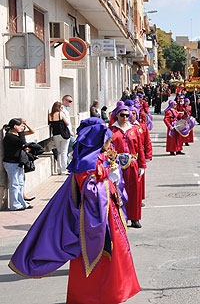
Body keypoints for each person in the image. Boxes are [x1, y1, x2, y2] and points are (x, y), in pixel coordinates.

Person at [9, 118, 140, 303]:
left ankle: (113, 292)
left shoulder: (99, 156)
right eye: (107, 141)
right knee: (99, 259)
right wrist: (109, 181)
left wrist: (114, 178)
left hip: (107, 215)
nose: (110, 145)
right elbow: (91, 192)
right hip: (93, 220)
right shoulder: (85, 163)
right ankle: (93, 296)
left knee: (115, 256)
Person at [110, 102, 146, 228]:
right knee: (118, 191)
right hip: (117, 166)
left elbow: (140, 148)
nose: (125, 117)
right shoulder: (111, 130)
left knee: (134, 192)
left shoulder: (134, 129)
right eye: (122, 115)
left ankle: (135, 218)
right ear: (117, 115)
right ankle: (119, 217)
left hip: (132, 164)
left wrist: (142, 165)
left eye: (127, 115)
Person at [2, 119, 33, 211]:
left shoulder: (13, 136)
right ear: (15, 126)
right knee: (14, 184)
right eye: (20, 126)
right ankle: (14, 205)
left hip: (17, 162)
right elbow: (22, 142)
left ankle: (21, 202)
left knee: (20, 183)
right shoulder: (9, 136)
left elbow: (21, 143)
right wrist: (21, 132)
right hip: (11, 163)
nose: (22, 127)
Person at [48, 101, 71, 175]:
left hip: (55, 135)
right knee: (64, 152)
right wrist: (63, 114)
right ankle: (64, 170)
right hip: (63, 135)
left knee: (59, 152)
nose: (62, 108)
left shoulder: (50, 115)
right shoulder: (61, 114)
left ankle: (59, 169)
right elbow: (67, 123)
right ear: (58, 107)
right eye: (61, 107)